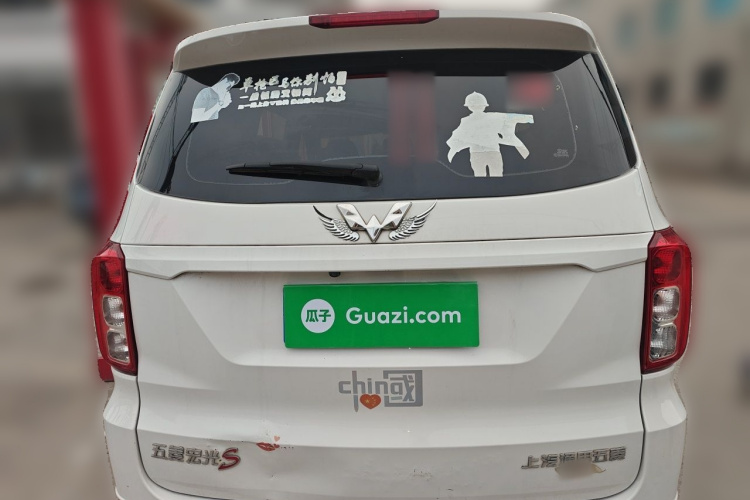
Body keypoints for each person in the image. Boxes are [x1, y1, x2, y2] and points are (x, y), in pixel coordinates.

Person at [447, 92, 534, 177]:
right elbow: (513, 118)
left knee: (483, 175)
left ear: (469, 106)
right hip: (484, 153)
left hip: (482, 153)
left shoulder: (467, 121)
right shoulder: (492, 117)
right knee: (491, 175)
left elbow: (457, 136)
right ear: (484, 106)